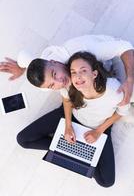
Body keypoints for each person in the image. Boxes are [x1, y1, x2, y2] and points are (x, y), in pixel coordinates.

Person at [18, 51, 130, 187]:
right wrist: (68, 126)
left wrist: (99, 131)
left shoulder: (113, 91)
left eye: (82, 71)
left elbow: (121, 112)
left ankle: (73, 151)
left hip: (98, 126)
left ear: (94, 73)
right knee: (23, 139)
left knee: (106, 181)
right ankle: (68, 149)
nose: (77, 77)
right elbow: (66, 100)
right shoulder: (70, 81)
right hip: (71, 116)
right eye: (74, 72)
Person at [0, 34, 134, 104]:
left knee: (128, 93)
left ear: (53, 62)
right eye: (53, 85)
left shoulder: (84, 49)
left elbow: (124, 47)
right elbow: (27, 59)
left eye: (54, 74)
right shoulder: (44, 84)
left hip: (111, 57)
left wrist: (129, 79)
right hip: (95, 72)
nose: (60, 82)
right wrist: (21, 68)